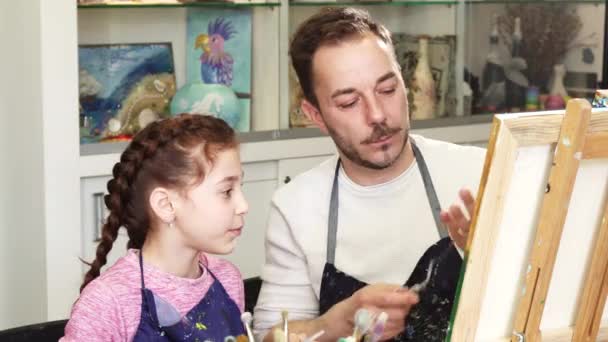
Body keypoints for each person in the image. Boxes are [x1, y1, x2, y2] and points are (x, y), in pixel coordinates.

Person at [253, 7, 486, 342]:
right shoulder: (296, 208)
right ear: (315, 115)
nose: (377, 115)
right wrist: (336, 323)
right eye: (349, 102)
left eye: (388, 89)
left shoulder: (477, 172)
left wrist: (488, 256)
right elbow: (268, 336)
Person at [61, 114, 249, 341]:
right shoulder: (109, 302)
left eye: (241, 187)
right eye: (227, 191)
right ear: (166, 205)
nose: (243, 206)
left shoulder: (227, 279)